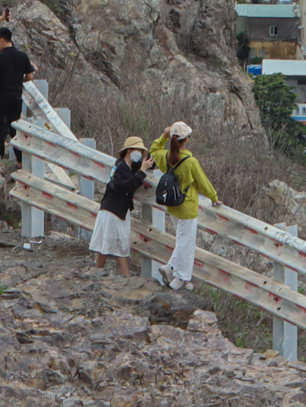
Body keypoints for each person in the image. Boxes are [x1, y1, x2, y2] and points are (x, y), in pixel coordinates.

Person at [149, 120, 219, 291]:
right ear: (186, 140)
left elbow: (153, 150)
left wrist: (163, 136)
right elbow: (203, 182)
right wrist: (214, 197)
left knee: (182, 240)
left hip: (172, 205)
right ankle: (181, 279)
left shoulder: (165, 157)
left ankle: (170, 267)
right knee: (186, 243)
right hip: (187, 207)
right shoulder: (190, 161)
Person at [90, 137, 153, 277]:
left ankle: (95, 276)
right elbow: (128, 186)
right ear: (129, 150)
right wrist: (142, 171)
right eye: (139, 150)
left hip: (114, 210)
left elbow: (149, 163)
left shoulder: (127, 166)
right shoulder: (121, 167)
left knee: (105, 247)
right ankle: (127, 280)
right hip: (114, 212)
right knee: (119, 249)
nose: (141, 154)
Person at [0, 24, 36, 163]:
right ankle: (20, 161)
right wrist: (18, 81)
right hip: (15, 97)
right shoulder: (22, 56)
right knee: (15, 130)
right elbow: (30, 77)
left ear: (1, 39)